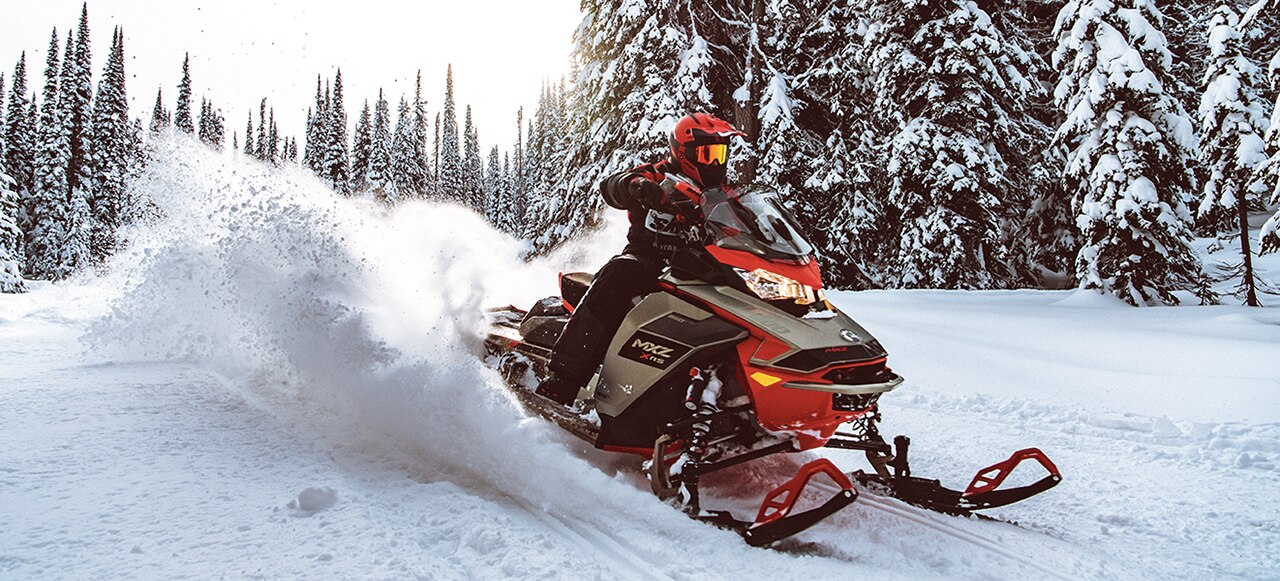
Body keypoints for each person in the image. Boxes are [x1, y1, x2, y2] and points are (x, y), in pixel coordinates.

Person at [536, 112, 745, 405]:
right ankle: (563, 378)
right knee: (619, 275)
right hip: (650, 262)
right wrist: (635, 186)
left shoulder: (723, 195)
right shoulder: (659, 175)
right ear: (682, 152)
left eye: (720, 154)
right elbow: (613, 186)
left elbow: (744, 227)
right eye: (707, 154)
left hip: (704, 271)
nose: (714, 162)